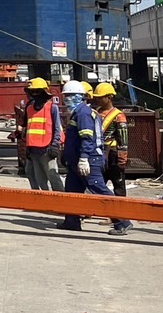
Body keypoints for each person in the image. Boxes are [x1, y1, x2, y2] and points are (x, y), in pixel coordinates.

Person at [56, 80, 124, 231]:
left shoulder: (83, 113)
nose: (66, 99)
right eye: (65, 96)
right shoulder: (78, 113)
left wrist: (84, 158)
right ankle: (72, 222)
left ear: (79, 96)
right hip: (76, 161)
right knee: (72, 192)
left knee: (100, 190)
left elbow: (87, 138)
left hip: (89, 160)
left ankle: (122, 221)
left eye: (69, 96)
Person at [92, 83, 134, 235]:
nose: (98, 100)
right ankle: (111, 214)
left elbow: (123, 138)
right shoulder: (96, 112)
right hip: (100, 153)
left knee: (118, 186)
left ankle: (121, 217)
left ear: (109, 97)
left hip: (113, 154)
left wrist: (123, 156)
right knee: (99, 185)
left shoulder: (118, 115)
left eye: (101, 97)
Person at [18, 78, 65, 192]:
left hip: (47, 149)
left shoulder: (52, 108)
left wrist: (55, 145)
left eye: (37, 91)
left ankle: (62, 198)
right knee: (40, 179)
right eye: (32, 92)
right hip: (34, 150)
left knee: (52, 175)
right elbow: (29, 129)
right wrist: (27, 147)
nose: (34, 94)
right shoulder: (29, 109)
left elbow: (58, 128)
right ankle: (43, 199)